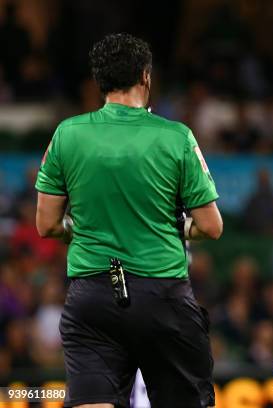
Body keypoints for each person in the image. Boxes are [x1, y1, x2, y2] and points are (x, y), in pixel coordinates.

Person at [35, 33, 222, 408]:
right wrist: (176, 226)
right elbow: (210, 226)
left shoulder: (67, 135)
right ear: (146, 76)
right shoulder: (176, 137)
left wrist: (83, 227)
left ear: (98, 82)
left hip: (92, 298)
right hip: (162, 298)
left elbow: (48, 225)